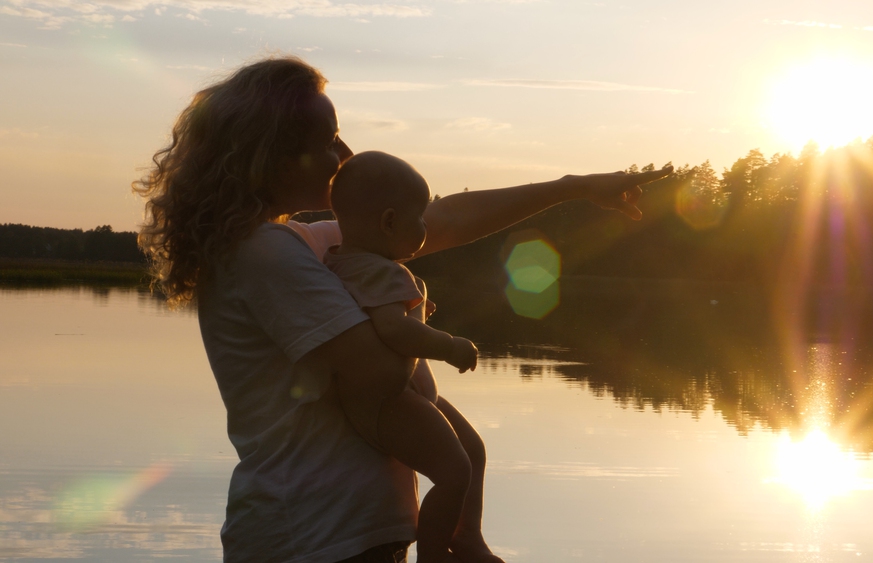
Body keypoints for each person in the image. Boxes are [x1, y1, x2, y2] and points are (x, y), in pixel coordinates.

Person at [132, 55, 671, 563]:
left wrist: (573, 188)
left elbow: (442, 220)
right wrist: (414, 315)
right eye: (329, 140)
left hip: (343, 533)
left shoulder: (303, 243)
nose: (345, 154)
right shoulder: (263, 252)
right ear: (271, 153)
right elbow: (379, 372)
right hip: (312, 538)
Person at [323, 150, 501, 563]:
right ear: (389, 222)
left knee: (472, 450)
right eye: (419, 217)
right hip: (390, 403)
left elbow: (379, 314)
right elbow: (395, 331)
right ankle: (434, 555)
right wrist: (449, 345)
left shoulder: (343, 262)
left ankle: (467, 537)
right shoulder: (385, 272)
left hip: (403, 396)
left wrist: (415, 307)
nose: (425, 226)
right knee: (455, 472)